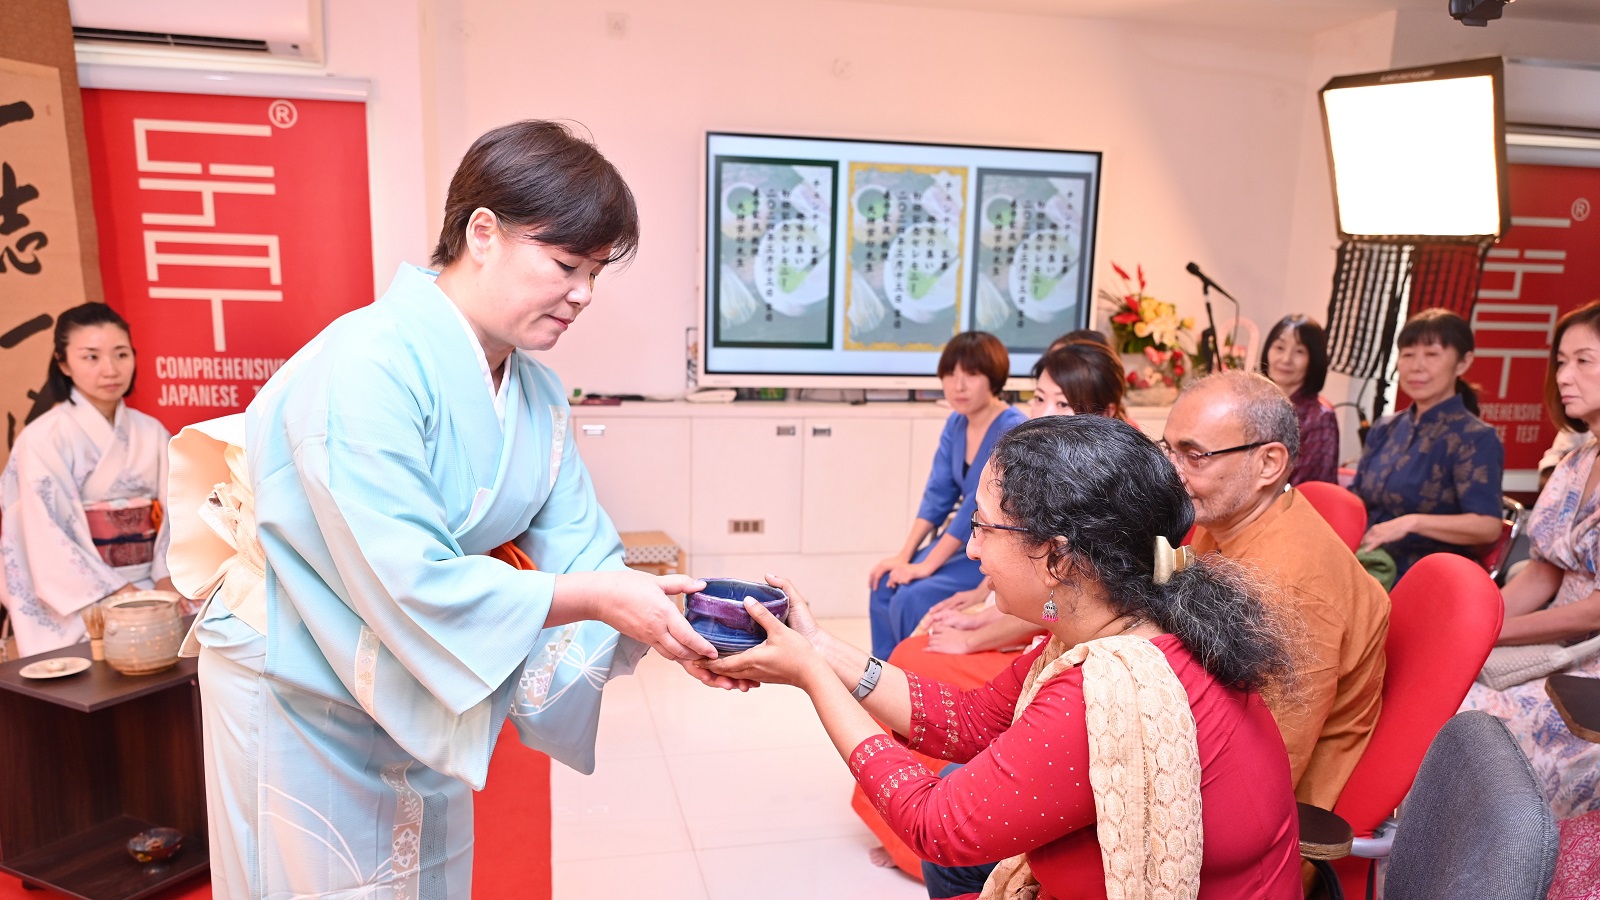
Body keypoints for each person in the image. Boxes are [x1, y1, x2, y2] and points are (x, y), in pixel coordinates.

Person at [176, 121, 743, 898]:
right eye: (567, 263)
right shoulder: (365, 363)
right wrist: (597, 600)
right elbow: (405, 575)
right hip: (303, 677)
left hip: (417, 679)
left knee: (420, 871)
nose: (583, 294)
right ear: (483, 233)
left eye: (596, 273)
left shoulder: (537, 391)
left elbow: (582, 549)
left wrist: (676, 624)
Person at [709, 416, 1302, 899]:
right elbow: (968, 721)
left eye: (983, 528)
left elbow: (936, 825)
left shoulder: (1107, 690)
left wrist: (814, 679)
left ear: (1057, 557)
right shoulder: (1105, 628)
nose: (970, 550)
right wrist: (819, 648)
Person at [1164, 371, 1388, 809]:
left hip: (1258, 832)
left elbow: (1256, 765)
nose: (1172, 474)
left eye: (1194, 456)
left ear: (1268, 463)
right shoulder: (1227, 520)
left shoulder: (1290, 589)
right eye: (1168, 450)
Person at [1462, 300, 1600, 820]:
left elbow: (1595, 611)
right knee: (1438, 678)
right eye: (1561, 361)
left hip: (1589, 668)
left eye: (1583, 361)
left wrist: (1492, 635)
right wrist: (1477, 623)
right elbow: (1542, 571)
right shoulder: (1575, 460)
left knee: (1465, 718)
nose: (1564, 376)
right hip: (1554, 643)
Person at [0, 303, 176, 657]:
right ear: (63, 363)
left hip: (157, 585)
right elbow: (44, 532)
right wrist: (121, 595)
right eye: (91, 357)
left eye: (121, 354)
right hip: (84, 596)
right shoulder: (43, 438)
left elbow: (181, 512)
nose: (110, 370)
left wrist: (167, 579)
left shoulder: (151, 432)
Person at [867, 332, 1025, 658]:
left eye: (971, 375)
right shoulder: (956, 423)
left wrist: (925, 566)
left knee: (912, 595)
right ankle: (880, 678)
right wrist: (905, 555)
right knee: (884, 584)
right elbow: (937, 495)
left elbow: (974, 505)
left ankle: (912, 683)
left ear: (993, 378)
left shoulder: (1012, 427)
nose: (959, 385)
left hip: (992, 546)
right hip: (959, 544)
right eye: (950, 374)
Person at [1350, 309, 1504, 579]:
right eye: (1408, 354)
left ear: (1463, 362)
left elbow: (1487, 526)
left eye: (1432, 355)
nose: (1417, 366)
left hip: (1427, 573)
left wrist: (1412, 523)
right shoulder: (1386, 428)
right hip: (1366, 560)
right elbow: (1358, 496)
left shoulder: (1475, 437)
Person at [1260, 314, 1339, 486]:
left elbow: (1306, 487)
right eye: (1279, 347)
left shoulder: (1320, 416)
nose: (1286, 359)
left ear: (1314, 360)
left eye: (1299, 351)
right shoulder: (1256, 404)